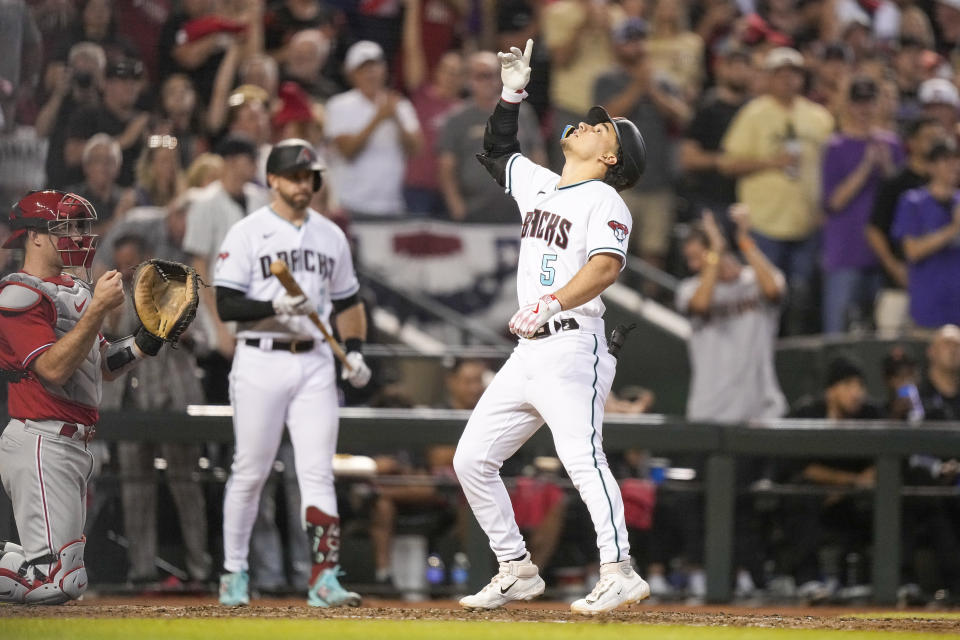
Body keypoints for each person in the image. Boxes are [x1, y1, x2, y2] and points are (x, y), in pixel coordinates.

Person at [451, 40, 651, 615]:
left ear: (611, 158)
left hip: (570, 344)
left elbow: (607, 266)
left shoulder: (605, 198)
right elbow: (496, 149)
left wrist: (552, 304)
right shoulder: (543, 184)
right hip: (529, 352)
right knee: (471, 459)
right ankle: (514, 566)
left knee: (582, 456)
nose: (588, 126)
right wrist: (512, 94)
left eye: (601, 129)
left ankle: (619, 569)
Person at [214, 138, 372, 607]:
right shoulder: (247, 232)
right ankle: (234, 573)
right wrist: (274, 304)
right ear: (274, 180)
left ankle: (325, 578)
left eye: (310, 177)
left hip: (317, 361)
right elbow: (226, 303)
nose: (306, 184)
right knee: (251, 470)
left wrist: (357, 350)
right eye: (297, 177)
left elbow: (348, 302)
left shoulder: (330, 235)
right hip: (261, 355)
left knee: (318, 471)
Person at [0, 190, 174, 603]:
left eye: (80, 226)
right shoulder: (17, 294)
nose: (79, 236)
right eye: (67, 227)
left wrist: (147, 341)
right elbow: (53, 369)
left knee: (61, 577)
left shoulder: (72, 290)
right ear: (35, 237)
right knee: (58, 582)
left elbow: (101, 365)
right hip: (40, 439)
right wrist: (97, 309)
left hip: (71, 445)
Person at [719, 47, 834, 335]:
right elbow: (728, 164)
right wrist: (772, 162)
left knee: (800, 298)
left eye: (794, 73)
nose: (788, 80)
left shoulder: (819, 117)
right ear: (768, 78)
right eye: (780, 73)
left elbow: (830, 167)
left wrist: (825, 207)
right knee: (760, 297)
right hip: (763, 224)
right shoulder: (753, 113)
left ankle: (789, 357)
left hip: (806, 223)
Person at [677, 205, 787, 423]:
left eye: (695, 257)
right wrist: (715, 252)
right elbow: (700, 306)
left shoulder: (754, 281)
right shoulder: (689, 289)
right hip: (709, 411)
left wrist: (744, 240)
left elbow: (774, 290)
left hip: (761, 410)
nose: (692, 266)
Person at [819, 76, 902, 333]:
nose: (864, 109)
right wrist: (866, 168)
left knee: (883, 335)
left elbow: (901, 199)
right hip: (845, 254)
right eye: (858, 102)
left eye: (870, 101)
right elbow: (833, 202)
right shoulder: (835, 146)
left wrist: (887, 168)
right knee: (838, 333)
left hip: (883, 255)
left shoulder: (891, 143)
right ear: (849, 106)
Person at [867, 116, 944, 332]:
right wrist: (894, 267)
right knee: (890, 347)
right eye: (928, 138)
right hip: (899, 284)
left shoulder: (950, 185)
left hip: (937, 286)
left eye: (939, 138)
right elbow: (874, 229)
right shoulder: (896, 182)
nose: (934, 143)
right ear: (912, 142)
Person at [891, 140, 960, 328]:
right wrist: (953, 229)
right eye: (946, 160)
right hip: (928, 307)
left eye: (957, 159)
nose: (954, 165)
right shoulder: (913, 202)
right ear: (930, 166)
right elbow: (912, 251)